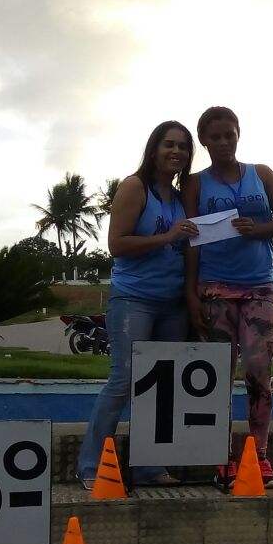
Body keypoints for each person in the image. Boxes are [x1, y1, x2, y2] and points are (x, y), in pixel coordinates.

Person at [77, 121, 198, 489]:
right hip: (134, 300)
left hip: (173, 304)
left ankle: (150, 467)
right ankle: (92, 467)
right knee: (124, 380)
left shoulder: (179, 199)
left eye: (183, 147)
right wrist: (166, 237)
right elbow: (117, 244)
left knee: (162, 387)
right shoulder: (135, 187)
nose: (176, 152)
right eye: (169, 144)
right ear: (154, 148)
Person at [183, 106, 273, 490]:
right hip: (214, 288)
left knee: (259, 372)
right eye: (214, 137)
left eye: (229, 135)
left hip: (258, 287)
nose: (223, 143)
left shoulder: (260, 174)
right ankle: (221, 459)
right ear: (204, 141)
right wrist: (192, 293)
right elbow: (192, 241)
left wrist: (257, 229)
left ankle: (258, 455)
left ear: (238, 134)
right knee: (216, 379)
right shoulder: (196, 184)